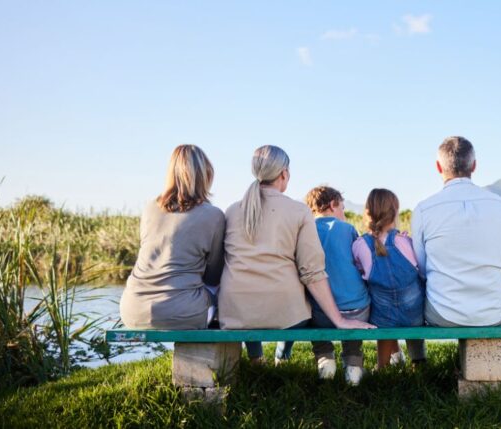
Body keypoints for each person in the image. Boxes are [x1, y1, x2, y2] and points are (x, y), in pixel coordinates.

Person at [218, 145, 374, 370]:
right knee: (307, 305)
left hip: (234, 314)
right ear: (284, 174)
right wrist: (340, 320)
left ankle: (256, 361)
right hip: (285, 317)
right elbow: (312, 272)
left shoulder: (232, 211)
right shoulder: (298, 211)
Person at [120, 145, 225, 330]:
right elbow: (214, 275)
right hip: (183, 313)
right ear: (205, 175)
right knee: (221, 290)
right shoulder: (213, 215)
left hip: (132, 310)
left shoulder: (150, 208)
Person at [411, 136, 501, 327]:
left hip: (444, 312)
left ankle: (417, 357)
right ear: (474, 165)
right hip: (492, 313)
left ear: (438, 167)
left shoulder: (424, 209)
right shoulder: (499, 205)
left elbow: (422, 270)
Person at [304, 186, 371, 385]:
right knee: (353, 322)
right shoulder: (348, 229)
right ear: (333, 205)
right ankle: (353, 365)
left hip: (322, 314)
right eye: (341, 207)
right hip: (357, 310)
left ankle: (325, 358)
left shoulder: (306, 231)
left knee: (311, 314)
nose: (343, 212)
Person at [353, 189, 426, 368]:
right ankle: (418, 360)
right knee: (413, 304)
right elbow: (421, 272)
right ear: (394, 213)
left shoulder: (360, 245)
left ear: (367, 213)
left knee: (385, 315)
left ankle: (383, 365)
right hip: (414, 316)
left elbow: (360, 273)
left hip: (382, 317)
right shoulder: (406, 242)